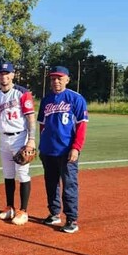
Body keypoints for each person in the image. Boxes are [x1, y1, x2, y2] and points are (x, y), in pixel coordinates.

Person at [38, 66, 88, 234]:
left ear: (67, 79)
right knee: (51, 184)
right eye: (53, 78)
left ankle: (72, 219)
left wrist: (76, 148)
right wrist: (42, 146)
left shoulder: (76, 98)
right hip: (48, 150)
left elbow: (81, 126)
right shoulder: (46, 100)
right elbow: (42, 125)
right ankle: (54, 213)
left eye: (59, 78)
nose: (56, 81)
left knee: (69, 185)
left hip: (67, 150)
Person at [0, 63, 36, 225]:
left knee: (22, 174)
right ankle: (10, 207)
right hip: (3, 139)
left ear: (13, 75)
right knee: (8, 174)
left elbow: (30, 118)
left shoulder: (22, 93)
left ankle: (23, 211)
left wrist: (31, 140)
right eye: (1, 73)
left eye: (7, 73)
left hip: (20, 138)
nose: (4, 76)